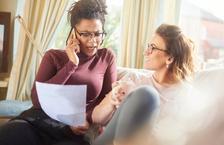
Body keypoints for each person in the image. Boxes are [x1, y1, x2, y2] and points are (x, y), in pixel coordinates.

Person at [0, 0, 117, 145]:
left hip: (76, 129)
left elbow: (108, 98)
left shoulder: (107, 57)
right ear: (74, 32)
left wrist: (83, 118)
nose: (93, 41)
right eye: (86, 34)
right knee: (9, 134)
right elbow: (37, 100)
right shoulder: (53, 56)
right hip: (40, 121)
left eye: (98, 34)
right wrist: (71, 65)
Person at [92, 24, 196, 145]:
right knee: (146, 94)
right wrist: (112, 99)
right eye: (148, 46)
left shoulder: (187, 95)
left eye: (153, 47)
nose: (146, 52)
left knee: (147, 95)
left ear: (170, 58)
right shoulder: (134, 79)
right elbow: (96, 118)